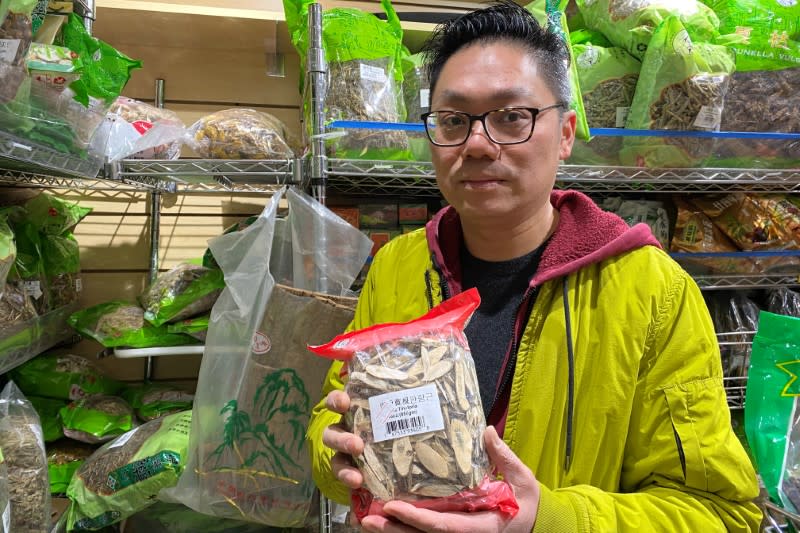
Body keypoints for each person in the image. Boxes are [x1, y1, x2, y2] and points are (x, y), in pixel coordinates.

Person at [307, 1, 761, 531]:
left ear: (565, 133)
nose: (476, 143)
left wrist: (544, 519)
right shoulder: (397, 266)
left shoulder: (652, 290)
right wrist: (335, 455)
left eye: (511, 117)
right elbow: (331, 415)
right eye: (452, 120)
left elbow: (719, 511)